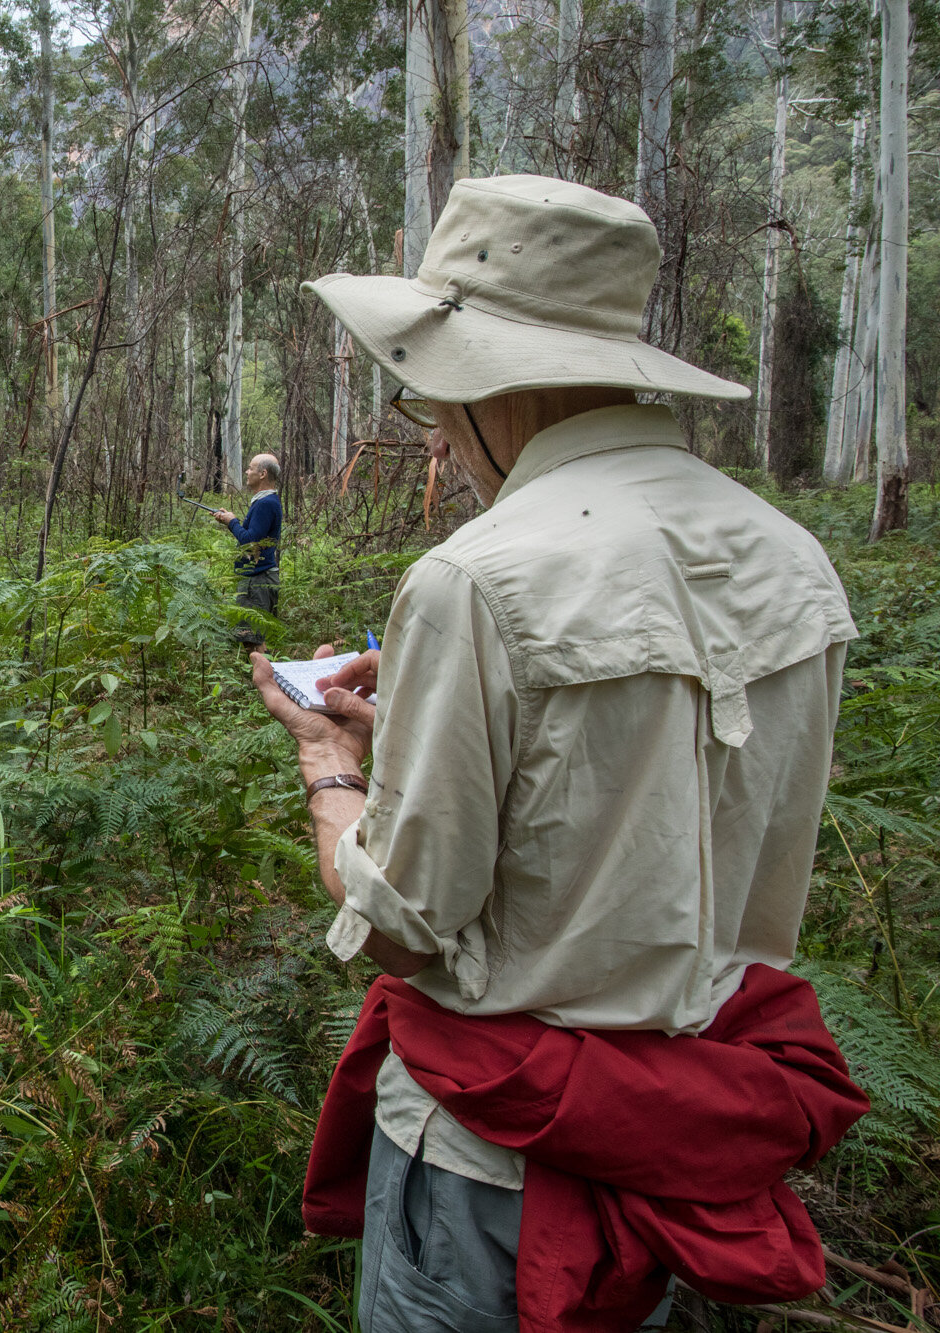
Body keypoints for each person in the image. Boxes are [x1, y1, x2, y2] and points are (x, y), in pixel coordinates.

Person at [255, 176, 868, 1332]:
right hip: (694, 1143)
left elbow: (402, 920)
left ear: (489, 381)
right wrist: (439, 725)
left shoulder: (476, 578)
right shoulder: (788, 559)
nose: (433, 428)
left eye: (431, 401)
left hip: (490, 1167)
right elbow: (661, 803)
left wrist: (332, 767)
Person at [211, 453, 282, 641]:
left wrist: (232, 522)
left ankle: (262, 671)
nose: (247, 471)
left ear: (263, 474)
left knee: (252, 642)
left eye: (251, 468)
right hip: (259, 578)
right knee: (255, 641)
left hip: (257, 581)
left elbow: (250, 542)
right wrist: (230, 521)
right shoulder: (265, 501)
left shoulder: (265, 504)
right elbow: (256, 538)